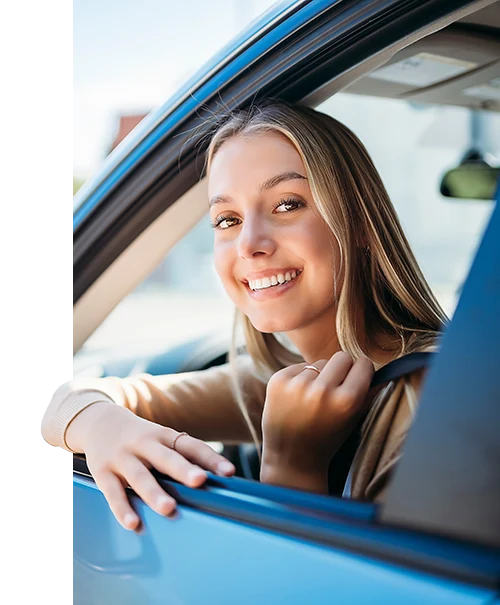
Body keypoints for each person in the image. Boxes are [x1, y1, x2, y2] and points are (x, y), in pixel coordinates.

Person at [41, 100, 447, 532]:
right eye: (227, 218)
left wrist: (292, 463)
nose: (248, 243)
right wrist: (99, 423)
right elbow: (46, 397)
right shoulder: (273, 378)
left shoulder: (434, 398)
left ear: (361, 222)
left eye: (287, 205)